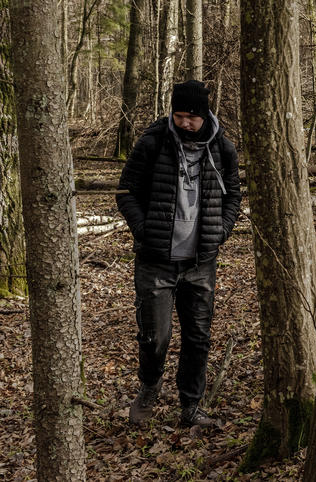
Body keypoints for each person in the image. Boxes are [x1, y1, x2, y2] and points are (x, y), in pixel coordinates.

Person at [117, 80, 242, 427]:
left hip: (200, 262)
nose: (185, 122)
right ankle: (150, 387)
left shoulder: (223, 149)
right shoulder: (153, 142)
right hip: (156, 260)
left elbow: (234, 195)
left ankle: (191, 406)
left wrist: (220, 232)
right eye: (179, 115)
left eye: (192, 117)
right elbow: (126, 191)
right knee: (155, 336)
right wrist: (145, 232)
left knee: (197, 337)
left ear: (205, 115)